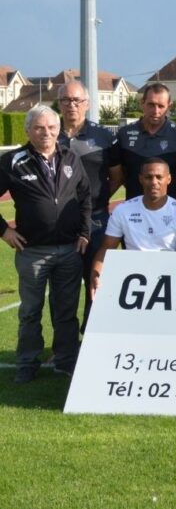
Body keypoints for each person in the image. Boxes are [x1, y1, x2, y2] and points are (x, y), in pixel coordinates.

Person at [0, 106, 91, 383]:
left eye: (51, 128)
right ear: (28, 131)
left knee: (65, 312)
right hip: (32, 252)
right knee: (30, 311)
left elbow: (85, 197)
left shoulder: (71, 158)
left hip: (68, 250)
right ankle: (27, 363)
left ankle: (66, 361)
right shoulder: (12, 161)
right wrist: (4, 231)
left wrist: (85, 233)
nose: (46, 133)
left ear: (58, 130)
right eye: (39, 128)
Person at [91, 157, 176, 298]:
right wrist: (96, 273)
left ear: (169, 179)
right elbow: (106, 248)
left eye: (159, 177)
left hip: (171, 281)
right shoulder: (123, 210)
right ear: (141, 179)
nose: (154, 182)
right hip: (134, 281)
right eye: (149, 177)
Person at [57, 80, 117, 329]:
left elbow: (117, 175)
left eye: (77, 100)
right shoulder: (49, 132)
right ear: (59, 104)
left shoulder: (103, 136)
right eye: (66, 100)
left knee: (97, 282)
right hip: (60, 224)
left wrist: (95, 200)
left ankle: (93, 339)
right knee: (63, 289)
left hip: (97, 222)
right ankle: (65, 346)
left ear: (87, 104)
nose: (72, 105)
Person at [109, 82, 176, 204]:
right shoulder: (124, 135)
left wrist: (166, 201)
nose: (156, 111)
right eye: (151, 105)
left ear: (169, 106)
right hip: (136, 212)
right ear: (142, 103)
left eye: (161, 106)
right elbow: (120, 177)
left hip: (171, 214)